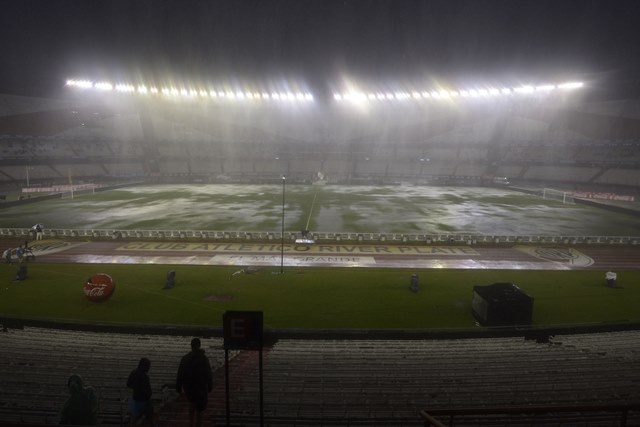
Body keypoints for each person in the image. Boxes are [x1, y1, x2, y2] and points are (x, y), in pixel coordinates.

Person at [176, 338, 213, 427]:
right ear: (199, 346)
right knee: (200, 410)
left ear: (191, 346)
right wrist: (210, 385)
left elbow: (180, 372)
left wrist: (178, 386)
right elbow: (208, 373)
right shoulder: (204, 359)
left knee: (192, 403)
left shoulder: (185, 358)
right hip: (200, 387)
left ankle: (191, 423)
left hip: (188, 387)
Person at [127, 357, 155, 426]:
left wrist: (136, 388)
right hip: (144, 400)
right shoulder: (144, 377)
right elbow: (148, 391)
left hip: (136, 398)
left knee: (134, 419)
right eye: (148, 366)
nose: (149, 368)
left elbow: (128, 384)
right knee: (150, 417)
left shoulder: (133, 372)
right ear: (144, 366)